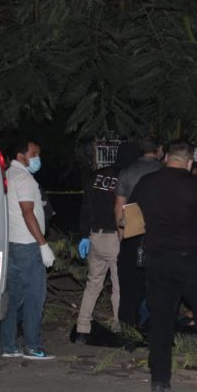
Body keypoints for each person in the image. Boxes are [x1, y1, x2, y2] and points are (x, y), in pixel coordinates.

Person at [131, 139, 197, 392]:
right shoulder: (196, 185)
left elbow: (130, 216)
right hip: (190, 260)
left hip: (157, 260)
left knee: (161, 320)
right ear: (188, 163)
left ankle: (160, 380)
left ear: (165, 158)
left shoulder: (147, 183)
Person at [74, 142, 142, 342]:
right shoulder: (126, 177)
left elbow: (85, 207)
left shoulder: (96, 176)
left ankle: (82, 329)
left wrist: (84, 235)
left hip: (95, 237)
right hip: (116, 237)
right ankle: (120, 329)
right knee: (119, 286)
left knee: (93, 284)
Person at [0, 139, 56, 360]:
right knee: (34, 297)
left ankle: (8, 345)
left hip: (11, 244)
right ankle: (32, 345)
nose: (36, 158)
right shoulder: (24, 179)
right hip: (28, 246)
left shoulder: (7, 176)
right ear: (21, 156)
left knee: (13, 298)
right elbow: (27, 213)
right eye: (34, 153)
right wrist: (43, 245)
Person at [114, 137, 164, 329]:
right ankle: (155, 329)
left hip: (132, 236)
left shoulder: (127, 172)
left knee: (129, 287)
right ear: (159, 150)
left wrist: (122, 236)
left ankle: (128, 330)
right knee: (159, 286)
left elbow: (119, 207)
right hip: (159, 237)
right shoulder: (164, 171)